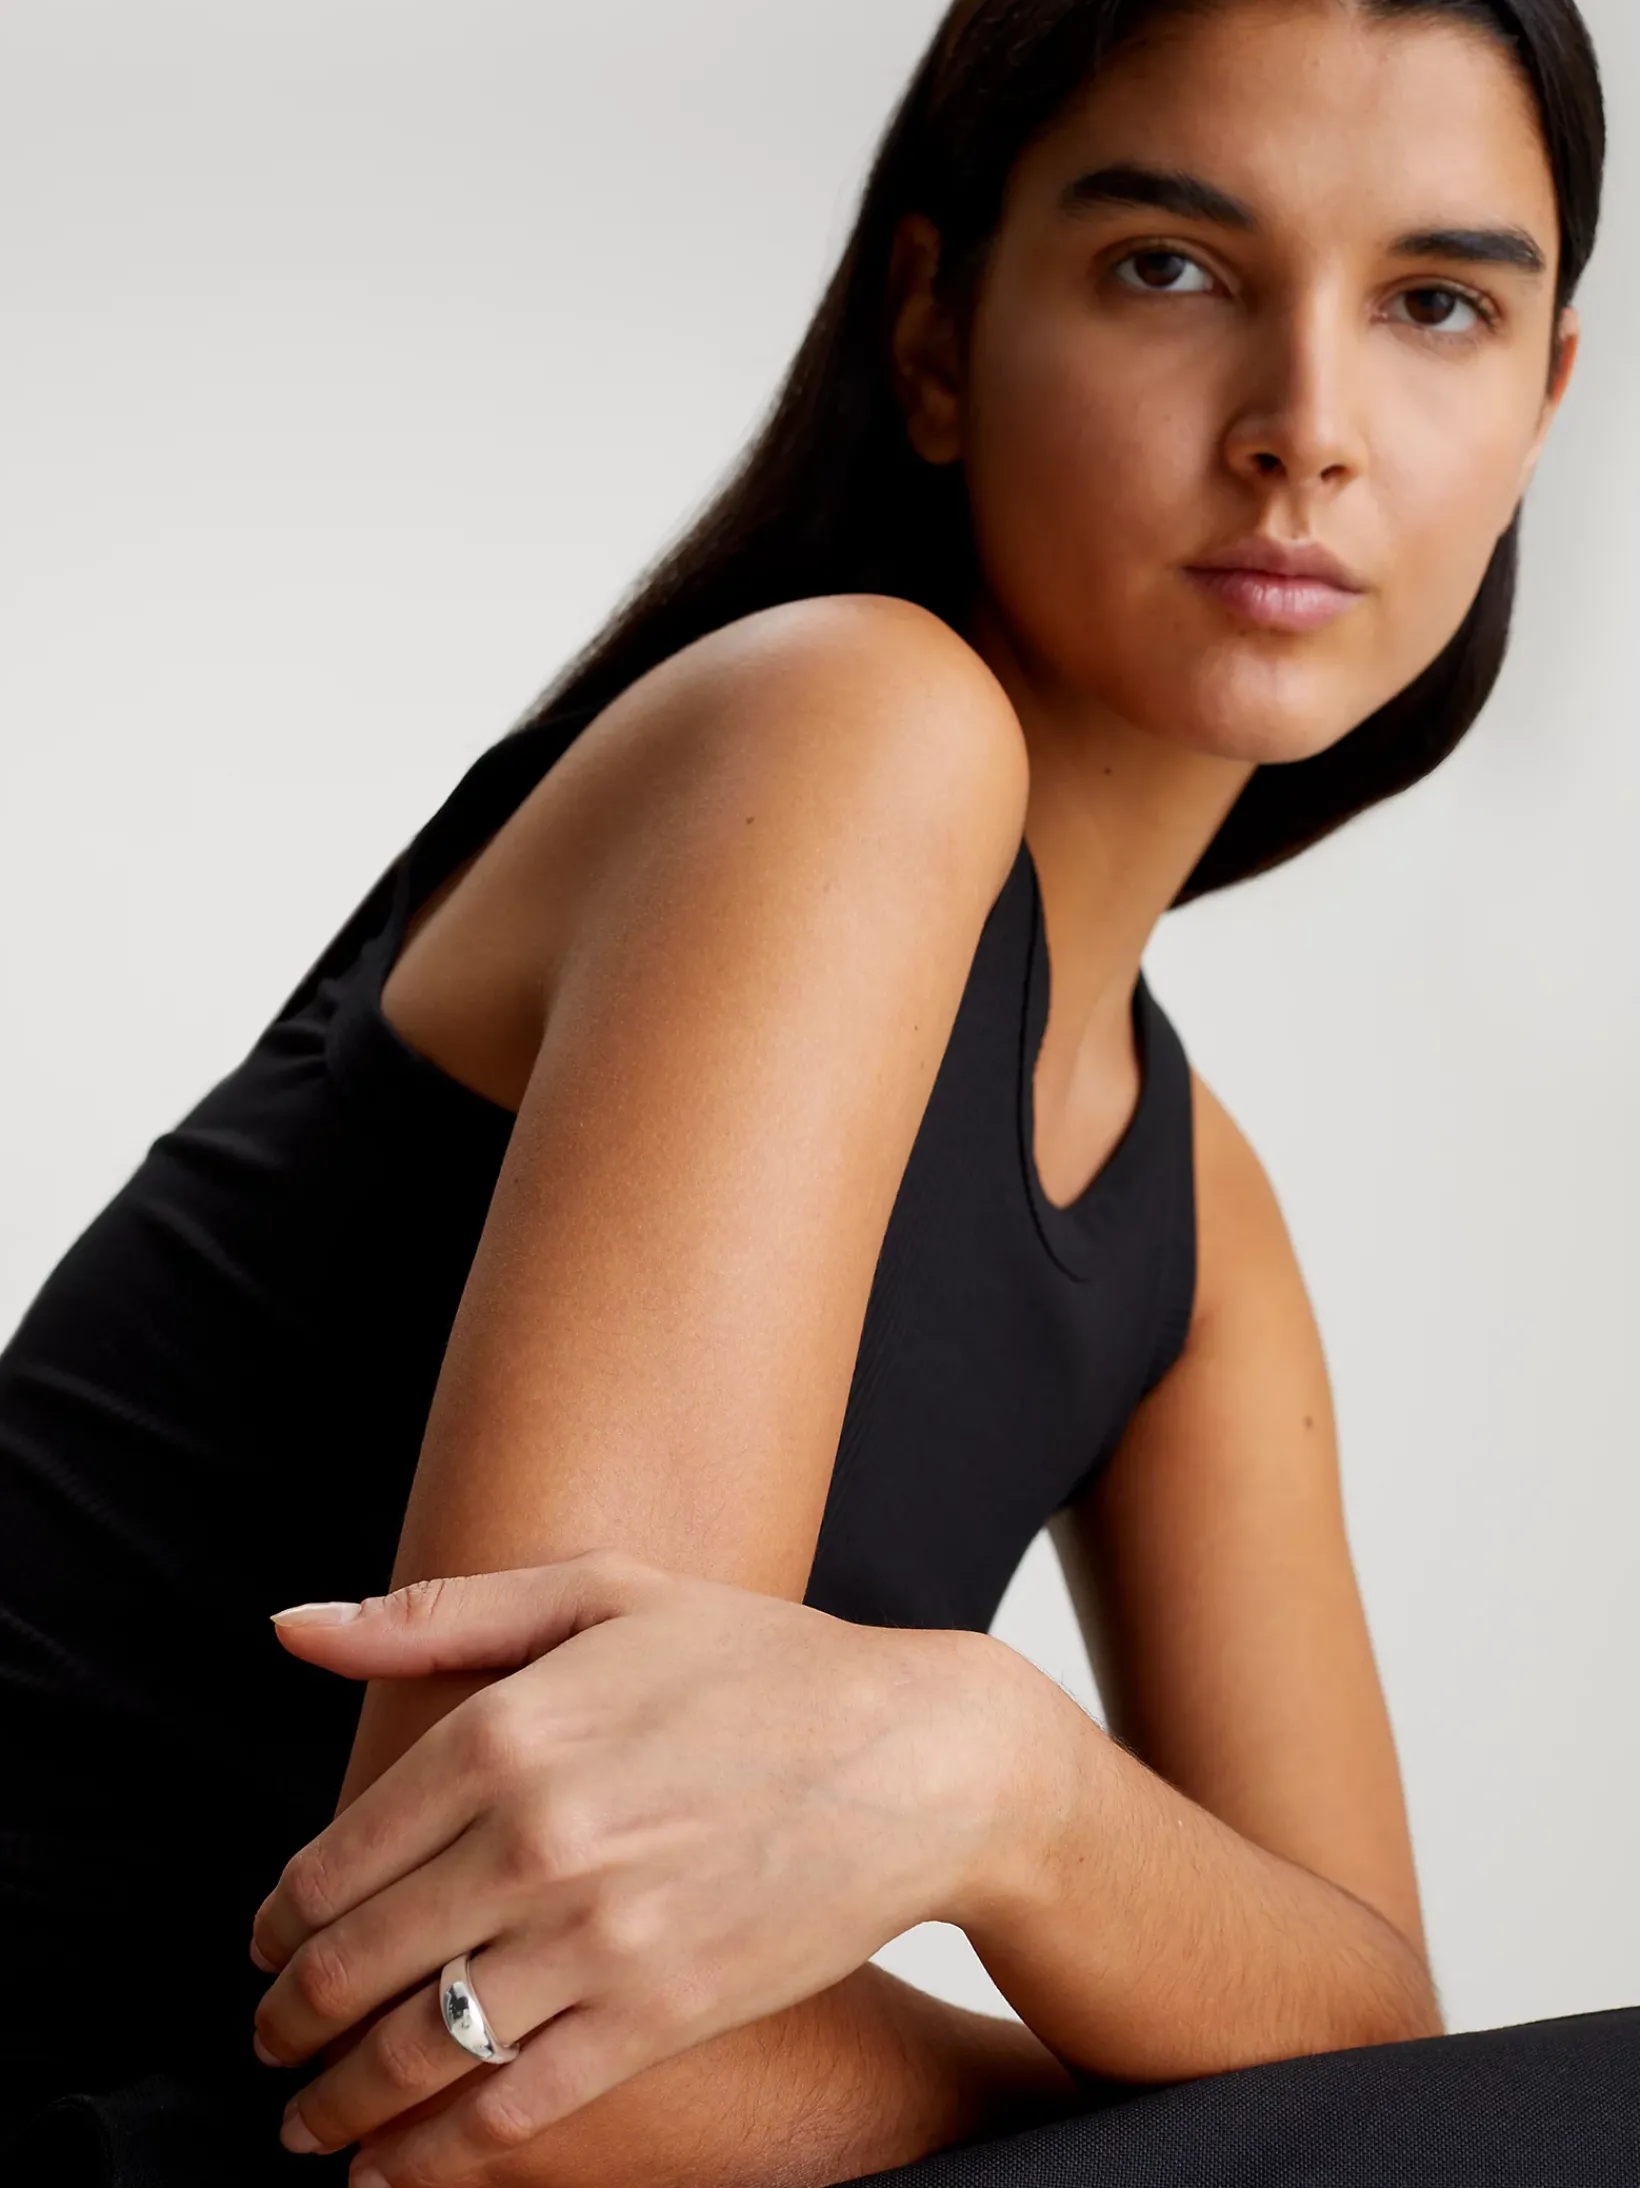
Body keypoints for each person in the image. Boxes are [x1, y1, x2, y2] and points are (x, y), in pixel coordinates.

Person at [1, 0, 1629, 2182]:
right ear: (934, 334)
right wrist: (1160, 2070)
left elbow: (1370, 2034)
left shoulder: (1193, 1207)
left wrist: (1003, 1781)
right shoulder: (850, 727)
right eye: (1169, 266)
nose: (1306, 430)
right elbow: (497, 2032)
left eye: (1435, 304)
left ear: (1544, 399)